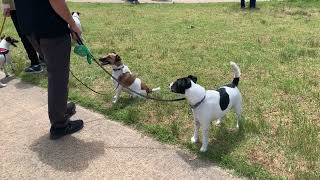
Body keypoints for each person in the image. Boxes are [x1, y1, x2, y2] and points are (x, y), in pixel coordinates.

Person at [14, 0, 84, 140]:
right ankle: (60, 124)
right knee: (58, 77)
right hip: (50, 28)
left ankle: (60, 109)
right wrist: (72, 23)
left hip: (29, 26)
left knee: (54, 72)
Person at [1, 0, 43, 73]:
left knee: (25, 34)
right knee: (35, 31)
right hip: (33, 4)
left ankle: (35, 63)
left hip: (18, 6)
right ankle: (43, 58)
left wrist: (6, 5)